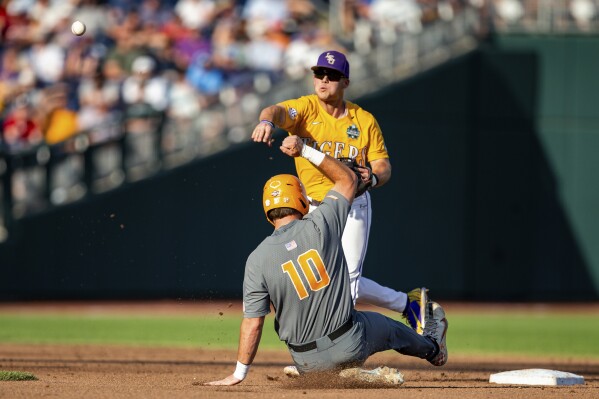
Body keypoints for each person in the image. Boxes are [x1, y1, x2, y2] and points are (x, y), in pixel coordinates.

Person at [203, 135, 448, 386]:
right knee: (389, 329)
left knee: (327, 342)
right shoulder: (322, 223)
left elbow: (253, 324)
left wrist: (239, 373)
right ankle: (433, 349)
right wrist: (306, 151)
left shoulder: (256, 259)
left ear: (267, 212)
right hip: (348, 343)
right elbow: (348, 179)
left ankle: (336, 372)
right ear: (302, 200)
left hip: (305, 361)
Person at [250, 50, 427, 334]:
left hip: (352, 204)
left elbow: (383, 165)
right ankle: (409, 304)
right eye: (319, 74)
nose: (323, 80)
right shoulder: (306, 108)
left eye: (331, 76)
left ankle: (328, 349)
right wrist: (266, 122)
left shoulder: (363, 120)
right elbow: (276, 111)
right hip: (313, 207)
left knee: (349, 285)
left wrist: (374, 177)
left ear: (345, 82)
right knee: (320, 278)